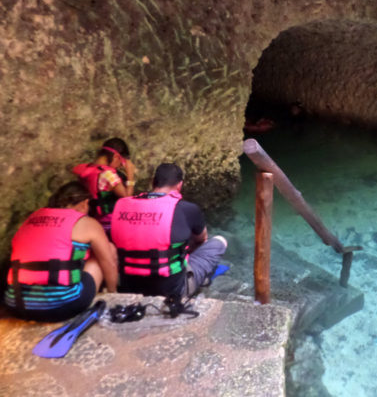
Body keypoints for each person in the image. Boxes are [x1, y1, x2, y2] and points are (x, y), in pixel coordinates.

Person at [4, 182, 118, 321]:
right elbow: (108, 262)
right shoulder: (85, 222)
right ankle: (110, 292)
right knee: (107, 250)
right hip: (62, 306)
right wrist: (114, 293)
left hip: (16, 304)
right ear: (84, 203)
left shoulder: (30, 219)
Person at [110, 163, 227, 298]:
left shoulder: (122, 205)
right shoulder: (187, 209)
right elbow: (201, 239)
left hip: (129, 287)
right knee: (219, 241)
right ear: (180, 185)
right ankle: (196, 279)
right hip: (172, 290)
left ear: (152, 182)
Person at [72, 137, 137, 234]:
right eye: (121, 163)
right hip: (108, 224)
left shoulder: (85, 169)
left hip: (91, 220)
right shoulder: (108, 174)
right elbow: (127, 197)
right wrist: (130, 174)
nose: (119, 167)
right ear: (115, 157)